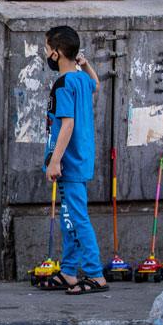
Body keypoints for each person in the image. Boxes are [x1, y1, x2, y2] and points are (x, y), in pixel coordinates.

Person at [40, 26, 108, 295]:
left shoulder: (62, 85)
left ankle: (94, 274)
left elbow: (66, 124)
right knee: (69, 218)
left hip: (70, 162)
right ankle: (69, 271)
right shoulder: (80, 79)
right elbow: (97, 85)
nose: (45, 53)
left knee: (78, 219)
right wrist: (88, 64)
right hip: (79, 160)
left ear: (56, 54)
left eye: (47, 49)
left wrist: (55, 161)